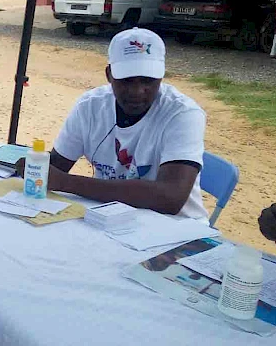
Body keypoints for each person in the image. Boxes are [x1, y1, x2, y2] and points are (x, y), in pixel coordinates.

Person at [22, 28, 208, 220]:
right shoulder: (90, 106)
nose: (137, 91)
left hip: (177, 229)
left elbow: (170, 198)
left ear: (161, 77)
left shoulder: (182, 113)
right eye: (126, 81)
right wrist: (34, 165)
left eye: (148, 81)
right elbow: (55, 167)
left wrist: (66, 183)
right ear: (109, 75)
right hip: (111, 220)